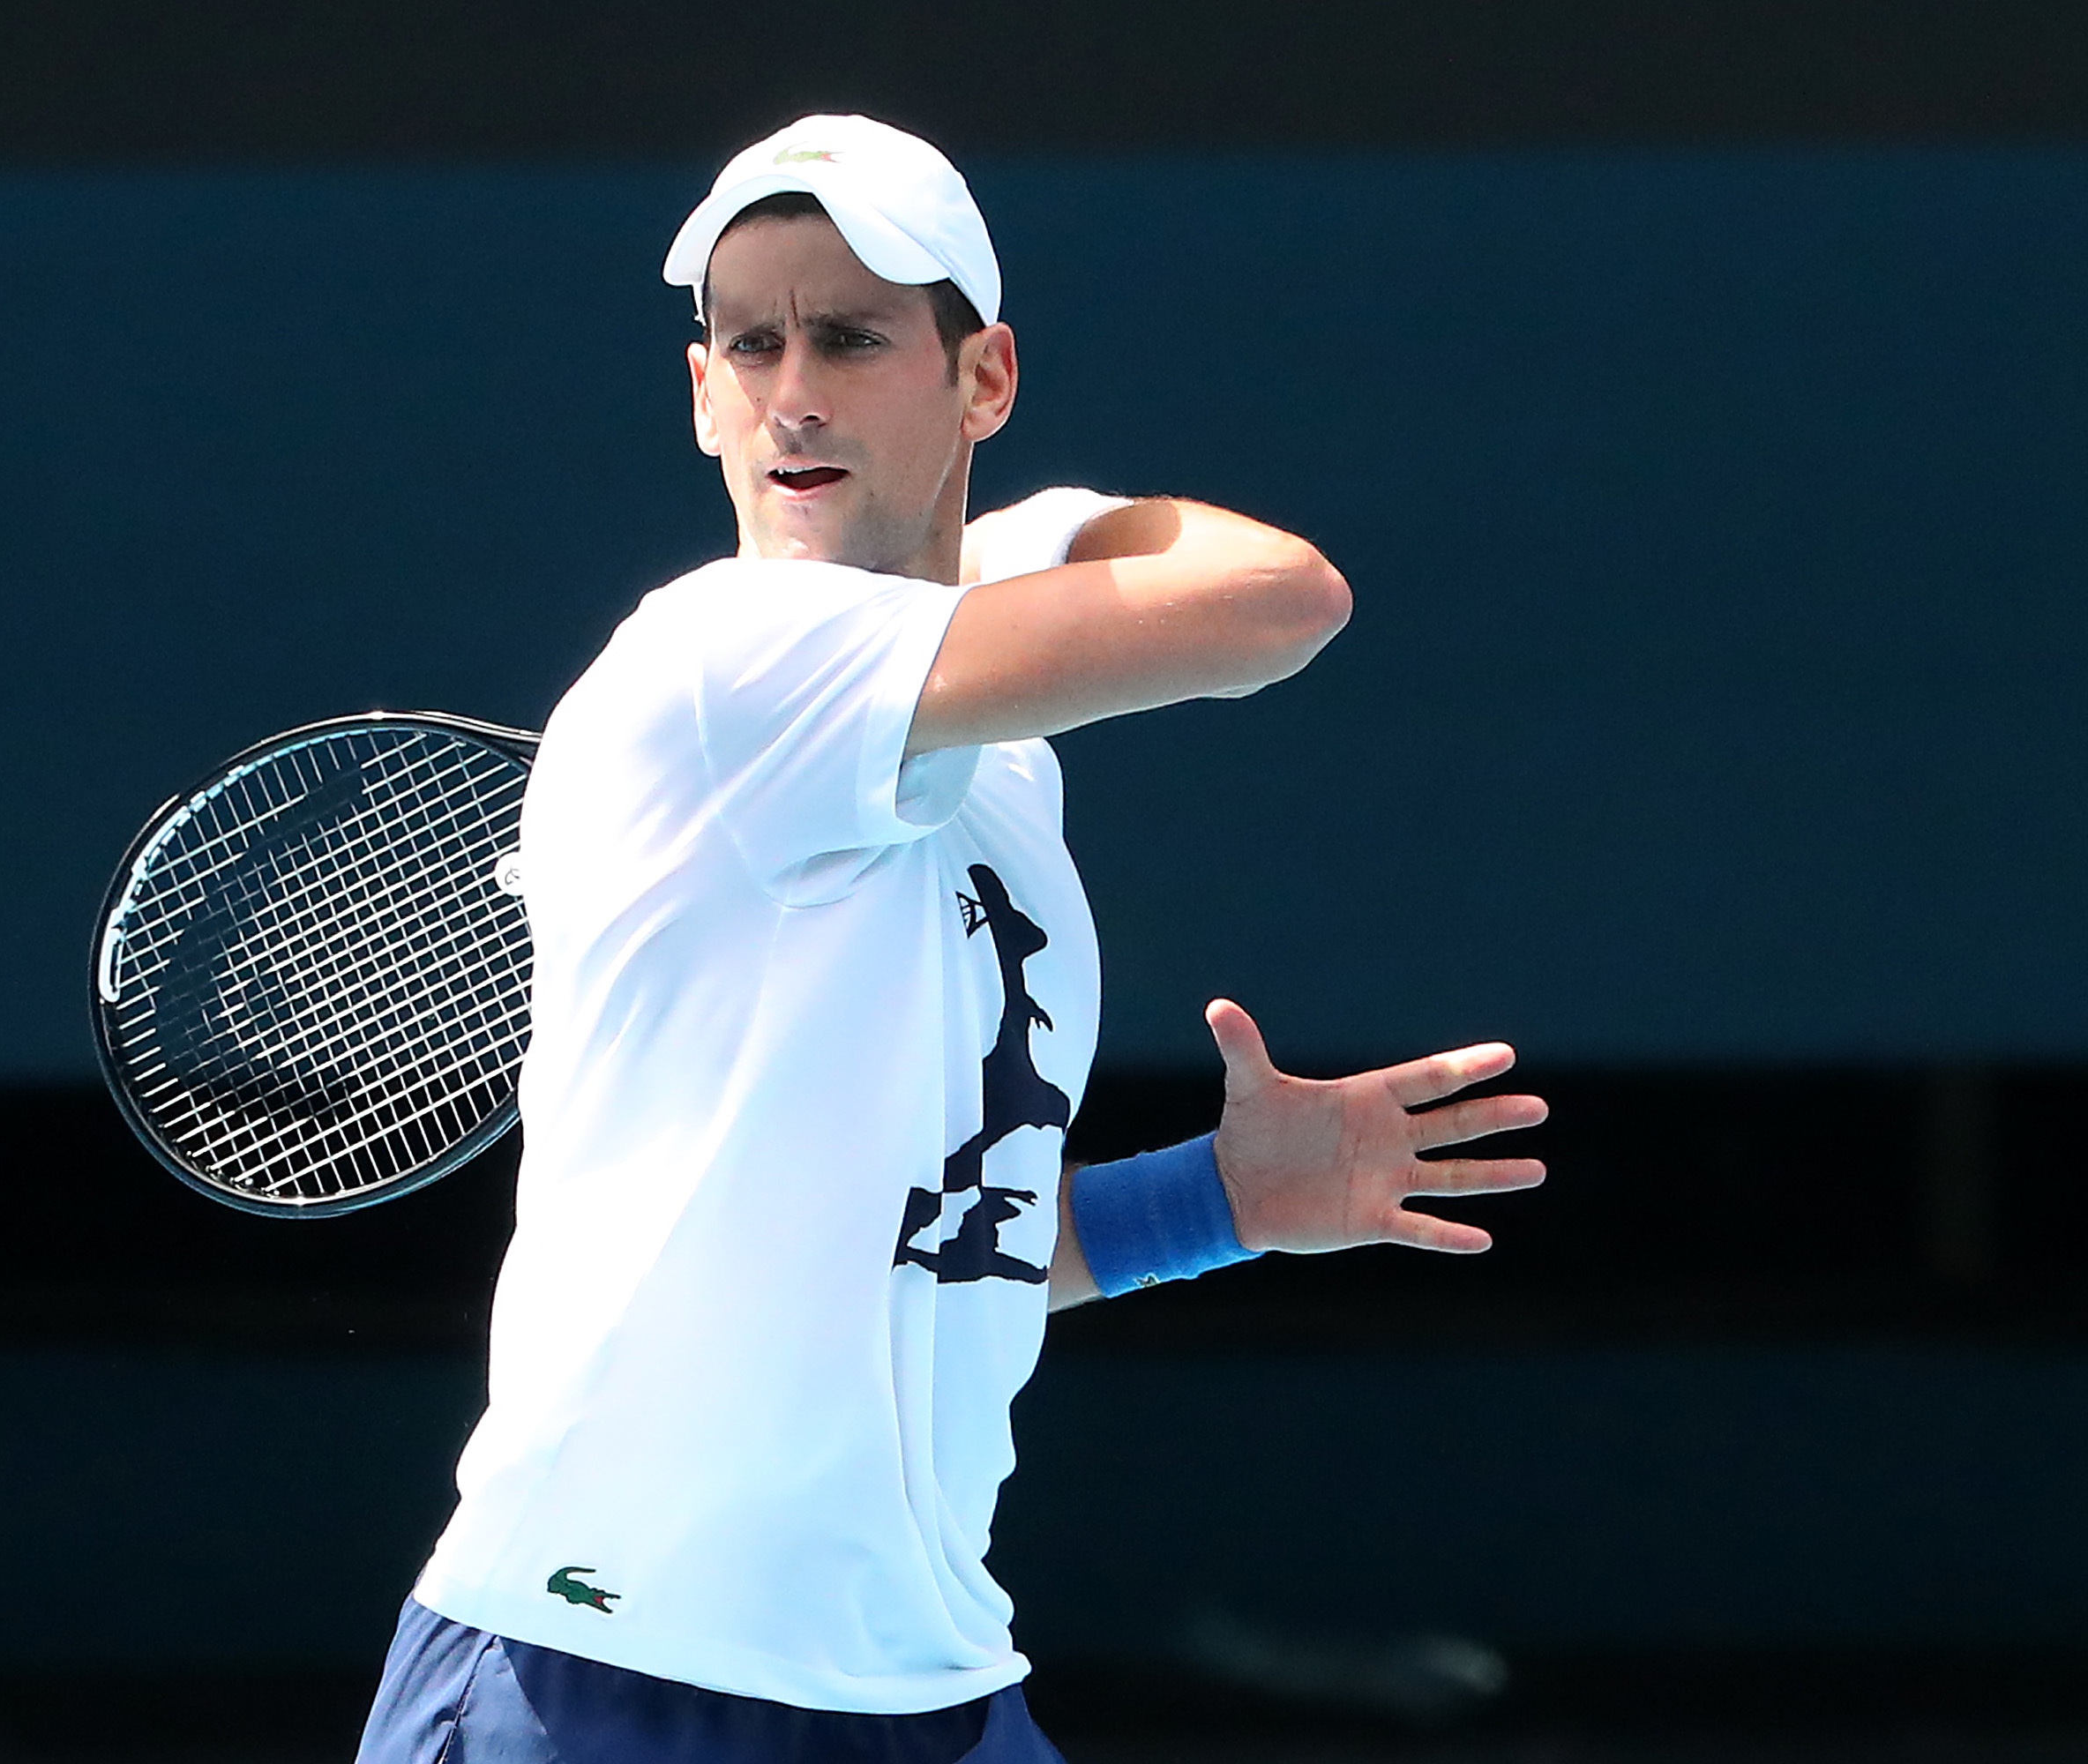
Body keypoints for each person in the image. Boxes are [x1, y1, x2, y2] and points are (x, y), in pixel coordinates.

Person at [353, 114, 1546, 1764]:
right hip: (593, 1680)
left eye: (848, 336)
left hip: (923, 1687)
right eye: (747, 343)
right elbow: (1280, 600)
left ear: (983, 375)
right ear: (701, 397)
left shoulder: (1002, 783)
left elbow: (934, 1251)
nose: (791, 390)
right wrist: (1023, 534)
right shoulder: (723, 660)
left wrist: (1216, 1202)